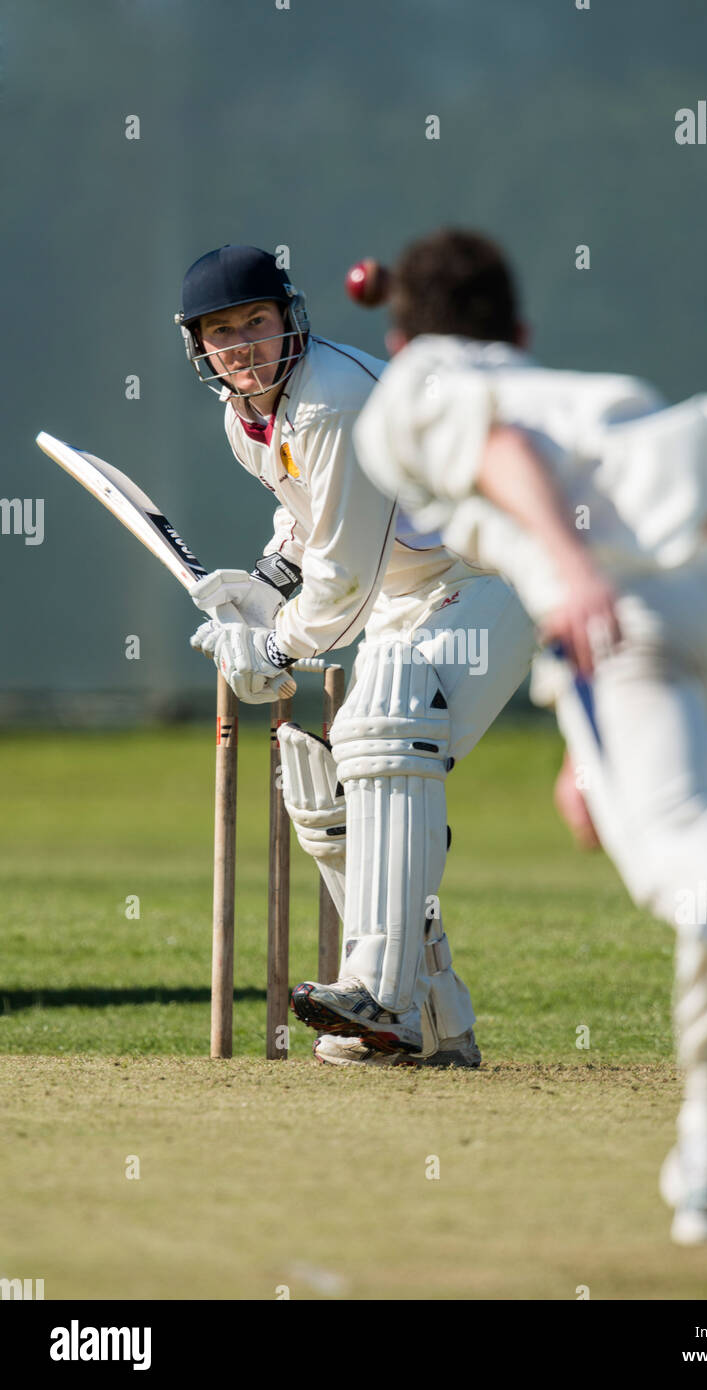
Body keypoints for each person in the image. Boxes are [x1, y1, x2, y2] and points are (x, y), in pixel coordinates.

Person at [350, 227, 707, 1242]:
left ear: (404, 337)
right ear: (523, 330)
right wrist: (592, 753)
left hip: (625, 597)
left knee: (679, 851)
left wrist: (575, 570)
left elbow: (494, 448)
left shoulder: (411, 390)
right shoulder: (580, 390)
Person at [175, 243, 537, 1068]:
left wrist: (272, 644)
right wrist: (258, 589)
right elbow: (309, 526)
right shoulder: (246, 421)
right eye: (220, 332)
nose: (240, 345)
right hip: (412, 594)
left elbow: (339, 592)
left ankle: (381, 994)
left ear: (288, 320)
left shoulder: (332, 397)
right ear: (199, 347)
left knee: (386, 712)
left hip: (493, 573)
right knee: (327, 796)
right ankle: (429, 1025)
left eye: (255, 323)